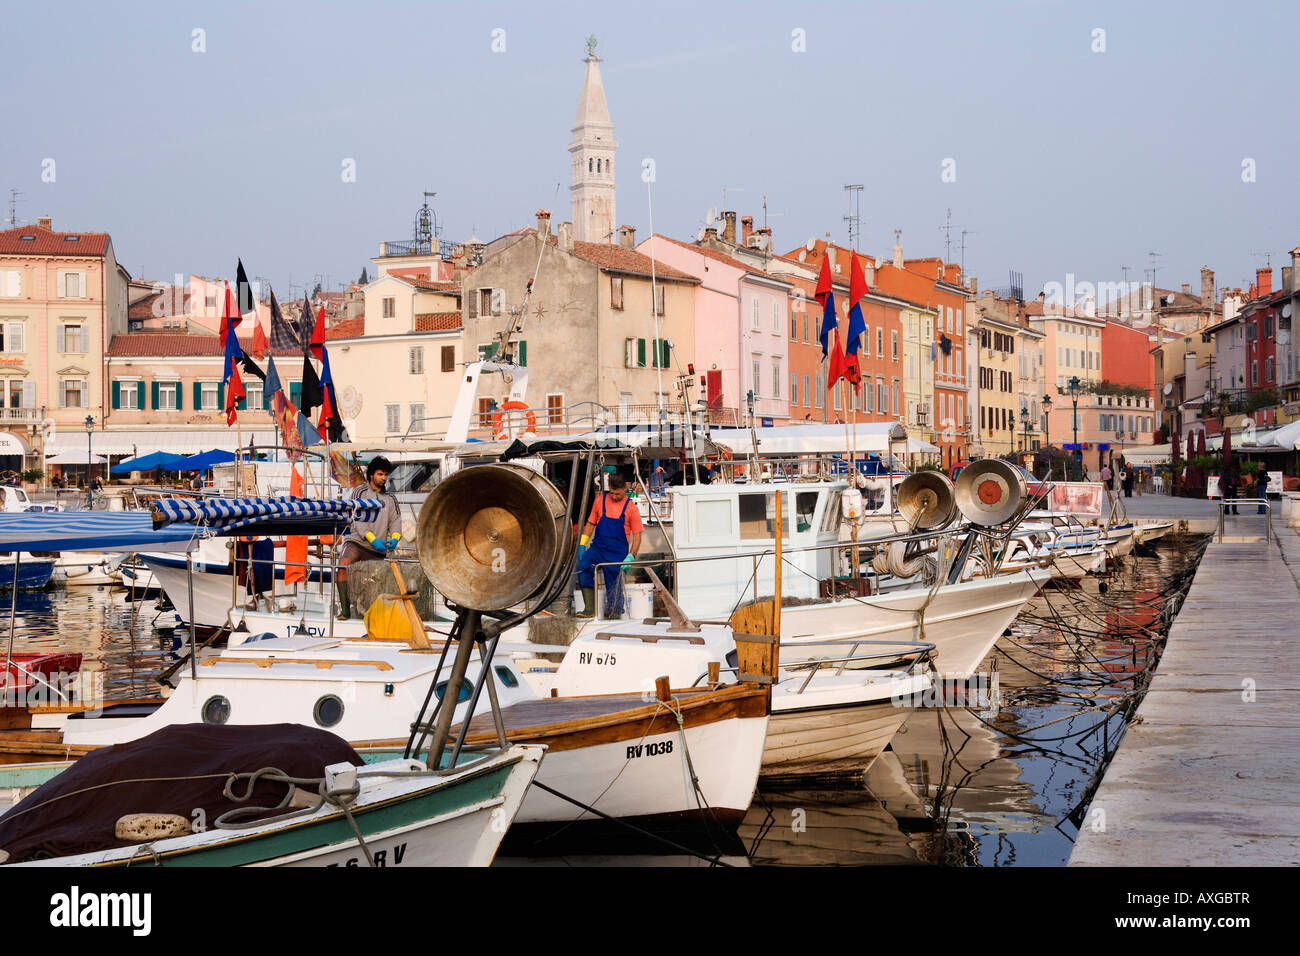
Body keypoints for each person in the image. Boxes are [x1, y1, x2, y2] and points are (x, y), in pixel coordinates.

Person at [337, 456, 401, 619]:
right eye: (380, 474)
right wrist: (373, 540)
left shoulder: (391, 498)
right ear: (371, 475)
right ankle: (344, 610)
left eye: (386, 474)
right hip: (356, 542)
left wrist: (394, 538)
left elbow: (396, 521)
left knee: (377, 581)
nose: (384, 478)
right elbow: (357, 520)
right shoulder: (359, 492)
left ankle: (373, 614)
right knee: (343, 564)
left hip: (378, 548)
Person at [575, 473, 643, 618]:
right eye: (611, 492)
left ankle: (614, 613)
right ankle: (589, 609)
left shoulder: (631, 508)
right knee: (582, 568)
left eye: (617, 494)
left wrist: (631, 555)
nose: (613, 496)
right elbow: (591, 523)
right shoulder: (600, 501)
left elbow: (637, 536)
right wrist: (583, 544)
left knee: (614, 584)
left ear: (624, 489)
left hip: (617, 553)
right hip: (598, 548)